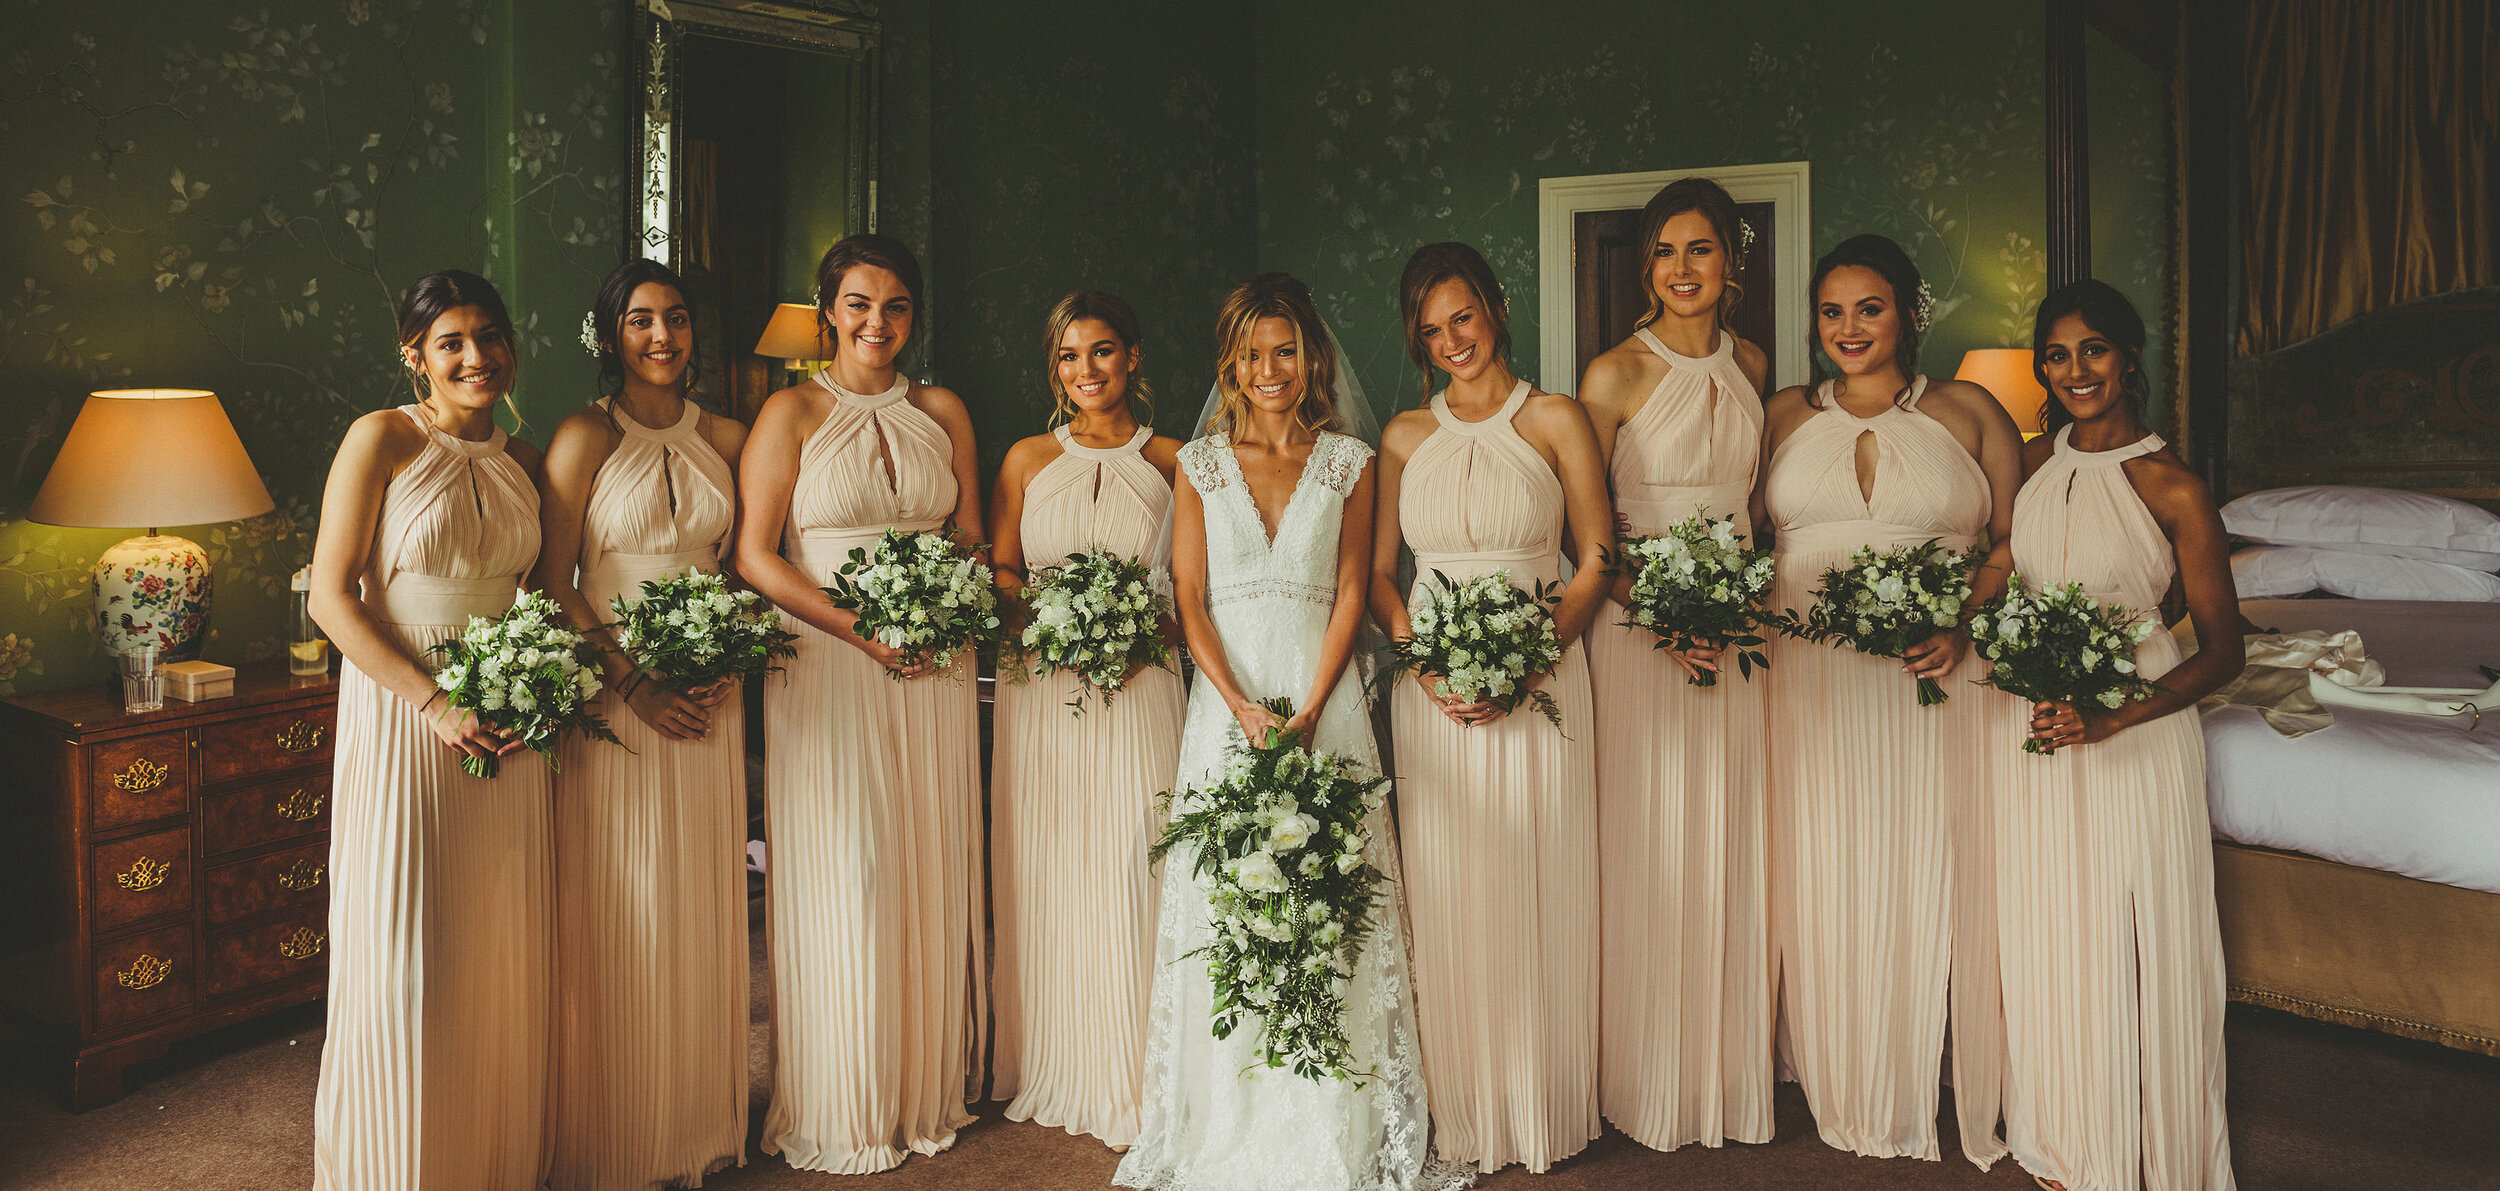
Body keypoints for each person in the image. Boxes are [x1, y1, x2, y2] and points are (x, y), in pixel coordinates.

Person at [1115, 273, 1446, 1191]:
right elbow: (1187, 598)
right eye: (1254, 353)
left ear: (1313, 360)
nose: (1271, 369)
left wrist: (1306, 709)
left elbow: (1351, 592)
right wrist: (1240, 706)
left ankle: (1331, 1115)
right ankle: (1229, 1112)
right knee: (1230, 900)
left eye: (1287, 352)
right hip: (1226, 711)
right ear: (1231, 362)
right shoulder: (1200, 465)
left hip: (1320, 703)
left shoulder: (1349, 464)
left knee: (1330, 896)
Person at [1759, 233, 2021, 1166]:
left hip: (1935, 681)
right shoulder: (1781, 413)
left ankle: (1937, 1058)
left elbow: (2010, 545)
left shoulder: (1972, 408)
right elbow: (1739, 536)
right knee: (1823, 864)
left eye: (1869, 308)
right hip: (1810, 686)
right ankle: (1839, 1061)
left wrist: (1964, 628)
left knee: (1934, 861)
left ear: (1910, 312)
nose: (1849, 328)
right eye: (1832, 311)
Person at [732, 234, 987, 1174]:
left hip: (933, 663)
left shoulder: (943, 407)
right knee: (850, 866)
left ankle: (922, 1081)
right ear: (827, 308)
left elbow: (970, 533)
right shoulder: (789, 411)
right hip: (830, 662)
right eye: (859, 304)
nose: (878, 323)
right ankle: (844, 1092)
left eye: (897, 307)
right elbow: (758, 555)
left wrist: (938, 606)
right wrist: (860, 626)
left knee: (923, 854)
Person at [1368, 242, 1612, 1175]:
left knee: (1536, 871)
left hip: (1541, 683)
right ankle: (1465, 1098)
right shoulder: (1402, 434)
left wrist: (1531, 660)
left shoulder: (1554, 416)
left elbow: (1595, 558)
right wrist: (1425, 665)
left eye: (1461, 317)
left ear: (1496, 309)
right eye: (1431, 331)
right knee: (1451, 887)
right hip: (1432, 692)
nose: (1450, 341)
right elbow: (1386, 577)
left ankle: (1541, 1098)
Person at [1994, 279, 2240, 1191]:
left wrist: (2116, 713)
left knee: (2134, 939)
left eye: (2093, 349)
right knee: (2050, 925)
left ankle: (2147, 1153)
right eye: (2056, 355)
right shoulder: (2026, 463)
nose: (2074, 370)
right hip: (2039, 727)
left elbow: (2222, 651)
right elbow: (1996, 573)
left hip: (2133, 730)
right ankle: (2065, 1137)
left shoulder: (2172, 483)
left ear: (2130, 357)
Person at [308, 269, 550, 1189]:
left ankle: (488, 1156)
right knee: (413, 937)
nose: (476, 357)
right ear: (416, 355)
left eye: (489, 336)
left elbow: (540, 595)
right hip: (409, 708)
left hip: (510, 715)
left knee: (495, 938)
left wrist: (535, 686)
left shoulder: (525, 461)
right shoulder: (381, 440)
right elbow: (333, 598)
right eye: (451, 341)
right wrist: (435, 702)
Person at [530, 258, 751, 1190]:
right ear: (610, 335)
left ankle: (697, 1121)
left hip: (707, 694)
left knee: (702, 894)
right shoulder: (585, 435)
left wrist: (724, 655)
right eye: (639, 321)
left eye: (677, 318)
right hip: (618, 695)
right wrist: (630, 683)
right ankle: (616, 1128)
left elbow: (740, 566)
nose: (662, 336)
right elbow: (551, 578)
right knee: (623, 899)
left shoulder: (731, 435)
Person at [1574, 178, 1777, 1152]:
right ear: (1645, 266)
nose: (1683, 269)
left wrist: (1732, 601)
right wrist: (1655, 611)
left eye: (1701, 250)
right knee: (1649, 844)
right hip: (1635, 635)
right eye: (1665, 251)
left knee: (1729, 842)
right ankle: (1645, 1077)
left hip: (1734, 636)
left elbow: (1754, 512)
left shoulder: (1753, 363)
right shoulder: (1611, 374)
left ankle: (1724, 1075)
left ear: (1730, 263)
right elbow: (1589, 529)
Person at [987, 290, 1186, 1150]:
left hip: (1144, 688)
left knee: (1138, 861)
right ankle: (1055, 1053)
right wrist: (1047, 617)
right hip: (1043, 690)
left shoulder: (1180, 458)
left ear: (1133, 357)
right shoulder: (1027, 457)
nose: (1086, 372)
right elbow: (1000, 568)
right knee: (1051, 862)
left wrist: (1147, 628)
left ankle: (1146, 1067)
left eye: (1102, 352)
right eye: (1069, 357)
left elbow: (1204, 586)